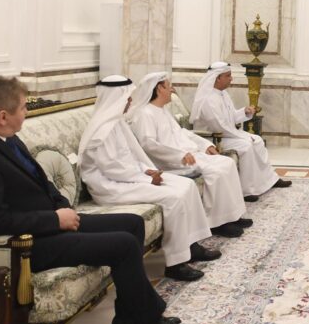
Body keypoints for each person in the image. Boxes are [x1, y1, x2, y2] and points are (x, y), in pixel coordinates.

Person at [0, 76, 202, 324]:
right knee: (124, 244)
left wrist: (62, 206)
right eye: (23, 107)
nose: (26, 112)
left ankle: (127, 318)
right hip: (26, 245)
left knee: (132, 224)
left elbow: (41, 182)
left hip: (47, 224)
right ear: (2, 116)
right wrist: (54, 220)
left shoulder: (5, 139)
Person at [79, 76, 220, 282]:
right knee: (173, 198)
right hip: (109, 187)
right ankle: (175, 263)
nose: (130, 101)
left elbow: (132, 157)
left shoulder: (117, 123)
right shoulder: (102, 129)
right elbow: (112, 168)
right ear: (116, 98)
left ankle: (191, 246)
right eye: (127, 97)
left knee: (187, 185)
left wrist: (148, 171)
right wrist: (146, 178)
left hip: (129, 177)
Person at [127, 72, 249, 238]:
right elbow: (149, 145)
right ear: (159, 88)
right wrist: (180, 156)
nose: (172, 90)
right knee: (216, 171)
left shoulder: (162, 111)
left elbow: (182, 133)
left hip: (188, 155)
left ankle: (232, 215)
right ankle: (217, 222)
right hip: (172, 162)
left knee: (226, 163)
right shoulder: (145, 114)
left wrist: (206, 145)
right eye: (169, 86)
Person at [189, 61, 290, 201]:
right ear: (217, 78)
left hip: (226, 135)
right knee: (246, 145)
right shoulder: (208, 99)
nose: (231, 79)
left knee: (258, 140)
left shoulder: (223, 94)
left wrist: (244, 112)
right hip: (213, 139)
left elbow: (230, 118)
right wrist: (243, 136)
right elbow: (219, 127)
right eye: (228, 76)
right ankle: (247, 191)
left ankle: (270, 180)